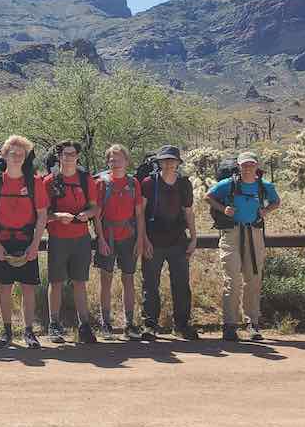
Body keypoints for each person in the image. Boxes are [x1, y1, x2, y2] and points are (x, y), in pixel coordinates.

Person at [205, 151, 280, 342]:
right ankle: (229, 325)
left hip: (254, 233)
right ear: (239, 166)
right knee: (232, 280)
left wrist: (265, 211)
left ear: (257, 166)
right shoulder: (228, 184)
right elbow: (208, 196)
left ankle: (252, 322)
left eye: (251, 164)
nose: (248, 168)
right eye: (244, 165)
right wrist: (224, 209)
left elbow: (276, 201)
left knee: (253, 279)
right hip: (231, 234)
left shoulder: (264, 186)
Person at [0, 136, 48, 348]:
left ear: (26, 156)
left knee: (28, 288)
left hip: (26, 239)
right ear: (4, 155)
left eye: (21, 153)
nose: (16, 157)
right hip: (2, 240)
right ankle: (7, 330)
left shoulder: (35, 182)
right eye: (13, 153)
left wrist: (34, 245)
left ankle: (29, 331)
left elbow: (42, 216)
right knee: (5, 287)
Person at [139, 145, 200, 341]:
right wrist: (143, 239)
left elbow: (188, 212)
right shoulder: (149, 183)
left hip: (178, 241)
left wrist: (194, 238)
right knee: (150, 284)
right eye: (165, 160)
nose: (168, 164)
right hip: (153, 241)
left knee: (181, 284)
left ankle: (181, 325)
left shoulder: (184, 184)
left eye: (172, 160)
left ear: (177, 162)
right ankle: (150, 325)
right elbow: (140, 213)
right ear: (159, 162)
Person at [43, 141, 100, 344]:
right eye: (65, 154)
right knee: (56, 282)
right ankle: (54, 324)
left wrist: (86, 214)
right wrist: (57, 216)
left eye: (72, 154)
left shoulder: (85, 180)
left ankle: (84, 325)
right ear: (59, 157)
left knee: (79, 282)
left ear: (77, 156)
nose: (68, 158)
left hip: (80, 239)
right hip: (58, 238)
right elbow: (43, 215)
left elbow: (95, 208)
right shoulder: (49, 181)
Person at [93, 144, 147, 341]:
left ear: (126, 160)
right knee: (105, 280)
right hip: (108, 236)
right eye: (111, 159)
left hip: (128, 236)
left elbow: (139, 214)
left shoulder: (133, 184)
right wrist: (101, 239)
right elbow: (97, 216)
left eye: (118, 159)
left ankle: (129, 323)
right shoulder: (102, 183)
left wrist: (140, 239)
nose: (114, 162)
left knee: (128, 279)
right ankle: (105, 323)